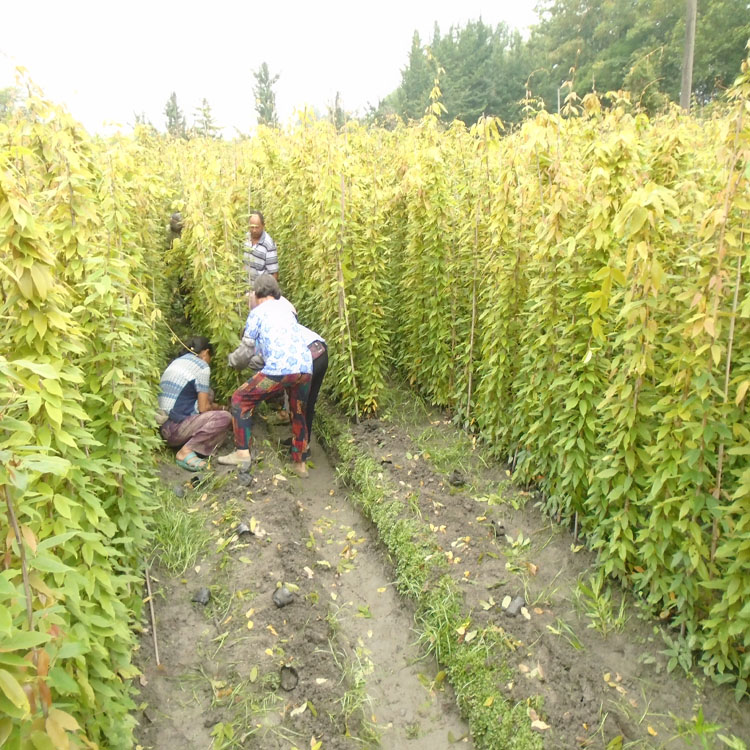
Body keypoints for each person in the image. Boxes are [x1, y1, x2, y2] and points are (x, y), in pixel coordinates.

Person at [219, 276, 311, 477]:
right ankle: (300, 465)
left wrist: (232, 361)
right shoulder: (287, 310)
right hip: (305, 368)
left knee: (240, 399)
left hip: (280, 370)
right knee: (298, 412)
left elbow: (246, 351)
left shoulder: (257, 313)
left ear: (257, 294)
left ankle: (242, 452)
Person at [158, 335, 231, 471]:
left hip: (163, 428)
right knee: (224, 417)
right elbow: (203, 409)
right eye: (210, 357)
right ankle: (185, 451)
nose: (209, 361)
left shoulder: (177, 362)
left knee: (208, 393)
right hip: (175, 429)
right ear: (206, 352)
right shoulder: (202, 366)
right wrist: (223, 409)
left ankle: (189, 445)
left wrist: (218, 406)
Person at [242, 210, 278, 285]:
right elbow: (244, 263)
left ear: (263, 226)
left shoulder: (268, 244)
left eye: (257, 227)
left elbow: (274, 273)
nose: (254, 230)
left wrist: (269, 293)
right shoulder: (246, 238)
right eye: (252, 227)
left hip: (261, 291)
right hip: (247, 288)